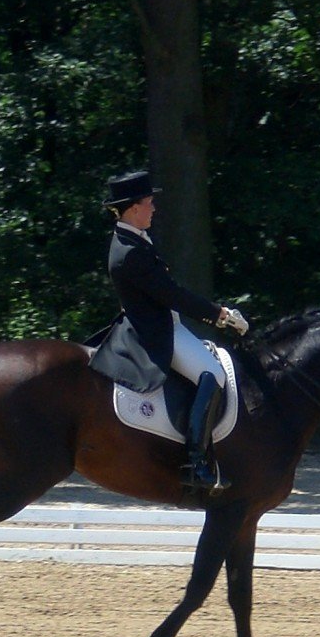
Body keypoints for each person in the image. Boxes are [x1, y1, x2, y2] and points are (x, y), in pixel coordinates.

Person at [88, 169, 249, 490]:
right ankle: (196, 462)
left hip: (162, 322)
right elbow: (172, 294)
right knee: (213, 375)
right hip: (154, 330)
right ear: (134, 208)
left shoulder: (133, 239)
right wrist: (220, 315)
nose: (154, 208)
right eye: (149, 203)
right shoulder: (130, 252)